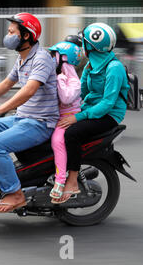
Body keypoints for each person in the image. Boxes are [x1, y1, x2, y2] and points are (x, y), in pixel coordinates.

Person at [0, 13, 59, 213]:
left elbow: (29, 90)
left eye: (12, 31)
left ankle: (15, 194)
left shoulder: (41, 58)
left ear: (26, 36)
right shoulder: (22, 59)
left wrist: (0, 109)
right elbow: (6, 83)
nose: (8, 35)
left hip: (40, 123)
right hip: (22, 119)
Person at [55, 23, 130, 204]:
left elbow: (107, 103)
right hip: (90, 109)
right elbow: (80, 92)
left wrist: (76, 117)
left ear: (90, 47)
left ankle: (72, 181)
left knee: (72, 134)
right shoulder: (90, 66)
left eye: (84, 44)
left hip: (109, 116)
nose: (82, 47)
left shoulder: (114, 68)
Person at [47, 37, 83, 203]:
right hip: (57, 117)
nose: (51, 58)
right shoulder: (56, 76)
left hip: (69, 118)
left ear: (64, 59)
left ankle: (60, 181)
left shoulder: (74, 81)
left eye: (54, 55)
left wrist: (60, 79)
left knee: (57, 141)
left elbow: (66, 98)